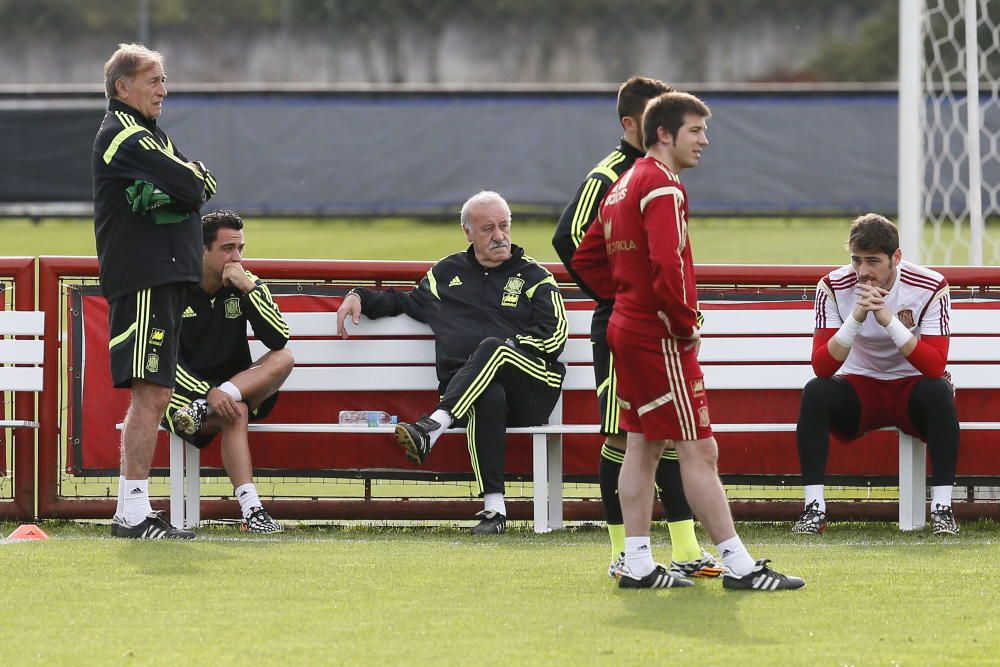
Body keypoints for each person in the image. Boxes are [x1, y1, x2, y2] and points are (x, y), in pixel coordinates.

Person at [572, 91, 805, 590]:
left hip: (628, 329)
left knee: (643, 445)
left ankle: (636, 563)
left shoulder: (623, 184)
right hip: (658, 335)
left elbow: (588, 257)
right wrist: (682, 322)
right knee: (700, 451)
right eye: (696, 130)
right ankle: (740, 566)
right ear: (664, 134)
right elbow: (668, 264)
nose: (705, 140)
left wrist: (627, 297)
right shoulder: (662, 186)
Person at [553, 75, 722, 580]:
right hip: (631, 319)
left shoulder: (651, 175)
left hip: (642, 317)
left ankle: (684, 549)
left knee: (658, 437)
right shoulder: (614, 176)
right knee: (625, 438)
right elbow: (569, 240)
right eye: (658, 117)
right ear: (639, 125)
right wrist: (621, 295)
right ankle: (624, 553)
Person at [336, 191, 567, 535]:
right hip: (473, 397)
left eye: (504, 225)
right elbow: (402, 302)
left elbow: (555, 336)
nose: (499, 236)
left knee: (495, 348)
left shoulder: (535, 277)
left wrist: (513, 346)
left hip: (533, 387)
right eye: (488, 228)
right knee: (486, 395)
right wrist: (358, 296)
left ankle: (432, 427)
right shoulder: (445, 275)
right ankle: (494, 511)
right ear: (468, 232)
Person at [94, 43, 217, 539]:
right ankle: (132, 514)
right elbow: (191, 185)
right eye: (153, 81)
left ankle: (135, 511)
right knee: (150, 394)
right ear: (123, 87)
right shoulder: (122, 134)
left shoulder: (149, 134)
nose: (163, 90)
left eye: (163, 80)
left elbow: (203, 182)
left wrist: (178, 189)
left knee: (158, 391)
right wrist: (179, 190)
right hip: (144, 279)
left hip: (162, 278)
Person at [794, 214, 959, 535]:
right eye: (857, 260)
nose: (863, 272)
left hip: (913, 389)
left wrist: (887, 319)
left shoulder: (930, 285)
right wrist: (856, 317)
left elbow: (935, 365)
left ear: (895, 258)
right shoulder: (833, 285)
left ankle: (943, 508)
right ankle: (813, 509)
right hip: (860, 389)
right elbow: (823, 366)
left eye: (873, 261)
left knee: (940, 389)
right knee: (816, 390)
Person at [166, 210, 294, 533]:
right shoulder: (174, 290)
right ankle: (252, 511)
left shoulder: (245, 282)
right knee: (234, 410)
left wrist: (249, 288)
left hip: (239, 393)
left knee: (284, 359)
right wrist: (208, 393)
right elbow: (166, 361)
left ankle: (220, 401)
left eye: (240, 248)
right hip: (184, 402)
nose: (236, 257)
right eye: (227, 249)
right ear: (202, 250)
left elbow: (278, 337)